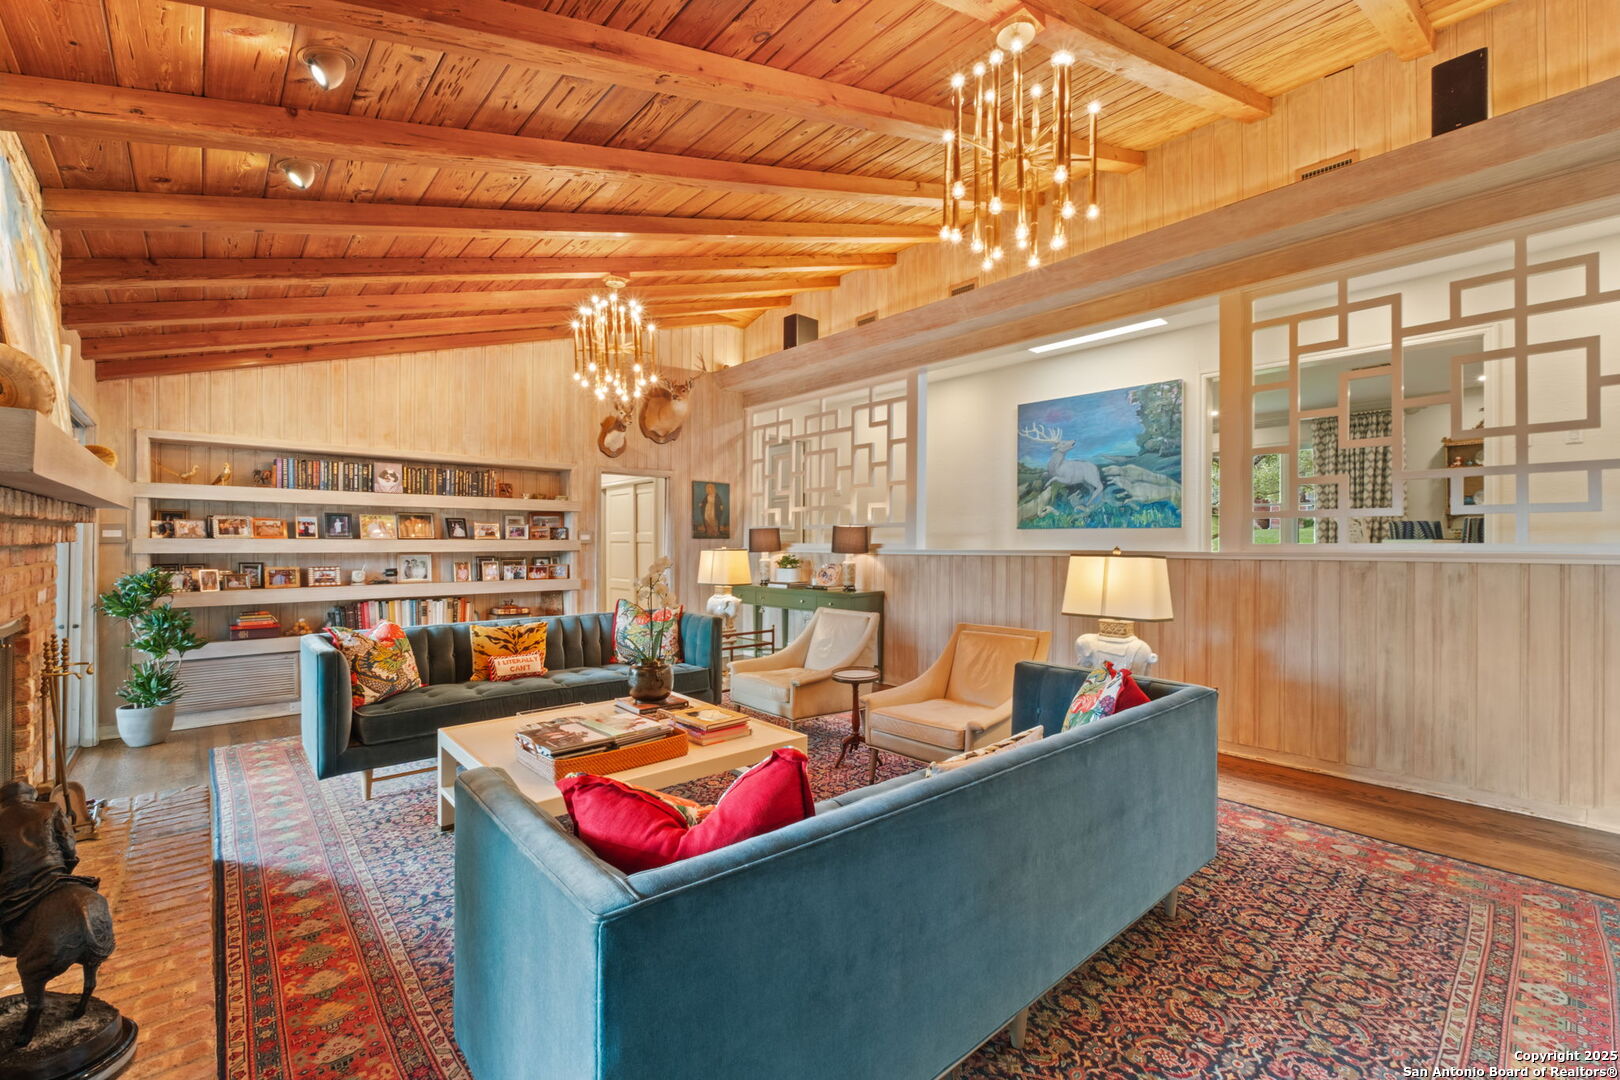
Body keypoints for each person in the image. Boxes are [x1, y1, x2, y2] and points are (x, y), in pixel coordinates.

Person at [0, 781, 101, 957]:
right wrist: (65, 871)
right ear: (31, 796)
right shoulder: (51, 808)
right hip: (54, 874)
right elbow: (69, 846)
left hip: (16, 888)